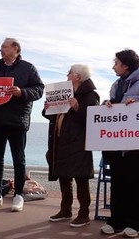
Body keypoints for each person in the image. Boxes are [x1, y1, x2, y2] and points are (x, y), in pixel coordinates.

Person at [100, 49, 139, 238]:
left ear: (126, 65)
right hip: (117, 143)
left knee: (134, 182)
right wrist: (107, 105)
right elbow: (114, 108)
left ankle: (136, 222)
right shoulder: (116, 85)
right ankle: (116, 220)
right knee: (117, 182)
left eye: (116, 63)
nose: (113, 66)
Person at [0, 37, 44, 212]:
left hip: (17, 120)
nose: (0, 50)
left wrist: (21, 92)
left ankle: (18, 195)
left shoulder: (28, 68)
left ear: (15, 49)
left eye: (4, 47)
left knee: (19, 159)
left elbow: (39, 89)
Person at [42, 64, 99, 228]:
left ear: (78, 76)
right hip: (60, 140)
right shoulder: (65, 92)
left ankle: (84, 214)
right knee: (64, 176)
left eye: (70, 73)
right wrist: (47, 109)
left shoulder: (90, 95)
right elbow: (54, 116)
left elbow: (94, 119)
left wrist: (77, 108)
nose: (67, 75)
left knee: (81, 178)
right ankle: (65, 209)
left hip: (78, 142)